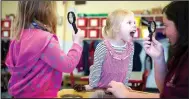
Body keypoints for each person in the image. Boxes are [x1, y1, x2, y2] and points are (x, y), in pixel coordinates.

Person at [106, 1, 188, 98]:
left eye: (166, 25)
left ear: (182, 25)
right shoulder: (180, 54)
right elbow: (166, 90)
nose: (164, 32)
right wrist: (158, 58)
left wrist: (127, 94)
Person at [5, 1, 84, 98]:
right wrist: (77, 42)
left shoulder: (16, 38)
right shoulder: (46, 40)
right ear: (47, 10)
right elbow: (68, 65)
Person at [83, 9, 136, 90]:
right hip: (102, 90)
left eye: (134, 23)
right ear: (116, 28)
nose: (134, 25)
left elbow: (129, 67)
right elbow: (96, 68)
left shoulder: (130, 47)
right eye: (129, 23)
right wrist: (92, 86)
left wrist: (124, 85)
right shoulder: (103, 47)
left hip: (118, 91)